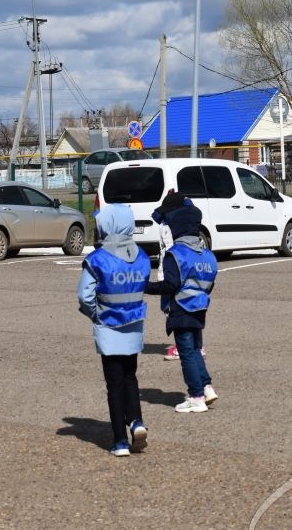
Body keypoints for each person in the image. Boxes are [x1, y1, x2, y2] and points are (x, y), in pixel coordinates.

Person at [78, 204, 151, 457]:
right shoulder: (141, 255)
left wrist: (95, 314)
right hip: (134, 326)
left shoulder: (97, 259)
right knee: (131, 377)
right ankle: (137, 422)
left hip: (109, 326)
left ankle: (120, 440)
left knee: (114, 383)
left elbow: (84, 296)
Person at [145, 203, 218, 412]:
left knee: (186, 353)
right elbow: (210, 283)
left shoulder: (176, 254)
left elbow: (170, 284)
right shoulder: (207, 255)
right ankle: (206, 387)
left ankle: (195, 397)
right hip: (200, 308)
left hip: (181, 308)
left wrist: (146, 286)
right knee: (195, 350)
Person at [152, 191, 207, 362]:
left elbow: (170, 247)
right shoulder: (173, 220)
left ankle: (186, 345)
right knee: (180, 306)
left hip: (173, 266)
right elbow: (156, 215)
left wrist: (184, 201)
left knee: (173, 306)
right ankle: (195, 344)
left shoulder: (175, 226)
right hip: (173, 264)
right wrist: (173, 200)